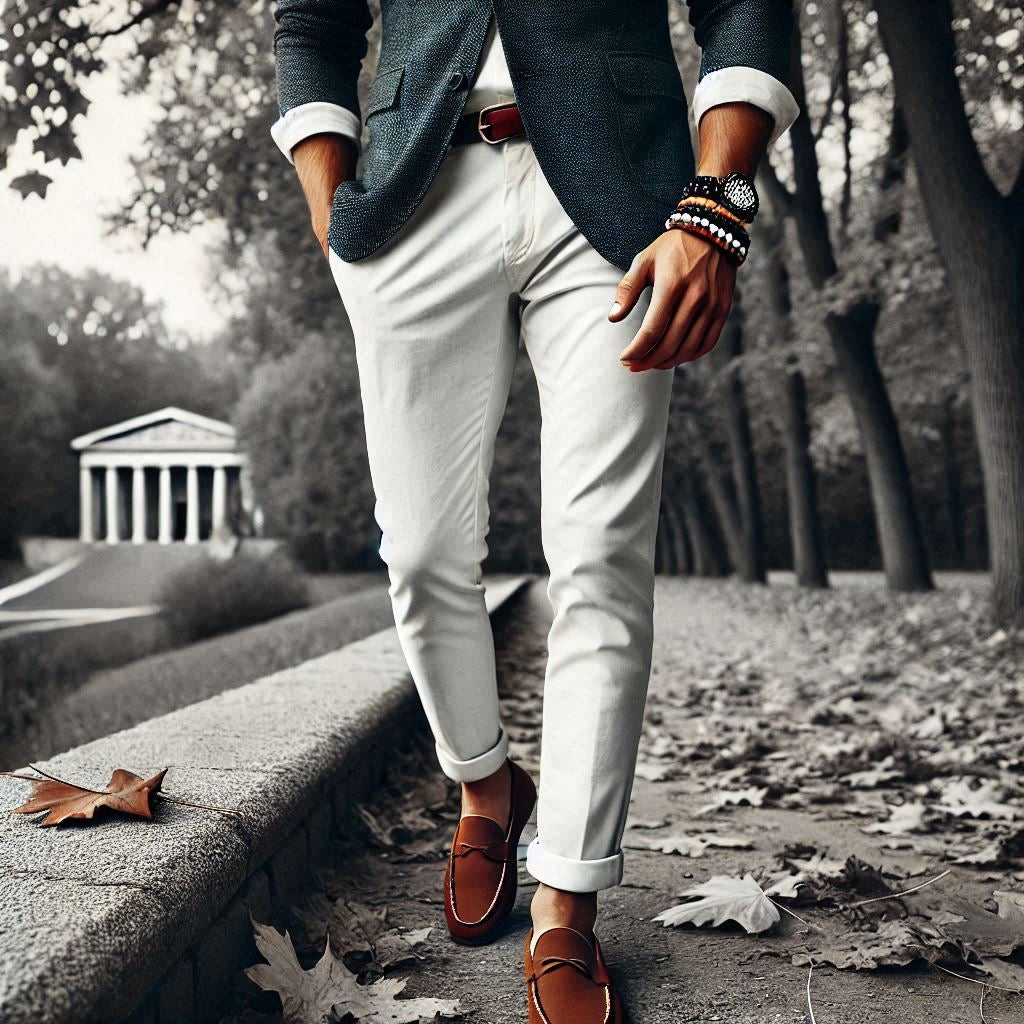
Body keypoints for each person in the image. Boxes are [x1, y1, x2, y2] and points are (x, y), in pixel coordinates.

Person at [270, 3, 798, 1020]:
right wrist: (331, 211)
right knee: (421, 552)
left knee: (599, 556)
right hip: (414, 195)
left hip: (617, 192)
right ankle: (484, 784)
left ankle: (567, 898)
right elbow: (311, 22)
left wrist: (716, 200)